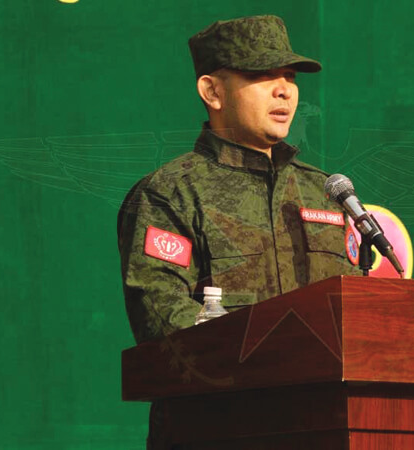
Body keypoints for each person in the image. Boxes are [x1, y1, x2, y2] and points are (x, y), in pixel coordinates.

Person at [116, 15, 360, 448]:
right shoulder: (169, 193)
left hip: (323, 426)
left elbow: (358, 316)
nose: (284, 90)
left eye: (289, 77)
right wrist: (277, 358)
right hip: (216, 429)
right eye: (261, 75)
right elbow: (164, 323)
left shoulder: (324, 193)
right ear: (212, 91)